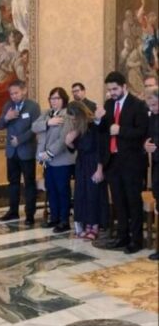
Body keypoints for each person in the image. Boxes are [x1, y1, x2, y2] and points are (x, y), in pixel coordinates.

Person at [93, 71, 149, 253]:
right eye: (109, 90)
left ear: (124, 87)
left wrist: (121, 130)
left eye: (115, 89)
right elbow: (103, 131)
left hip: (132, 162)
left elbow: (142, 132)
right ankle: (122, 236)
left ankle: (136, 240)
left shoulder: (138, 105)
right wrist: (98, 119)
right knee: (118, 202)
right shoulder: (108, 104)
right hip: (113, 161)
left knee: (133, 201)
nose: (112, 93)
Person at [0, 79, 40, 226]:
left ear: (24, 91)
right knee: (13, 183)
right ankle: (13, 212)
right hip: (11, 153)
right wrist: (6, 118)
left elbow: (35, 128)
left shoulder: (33, 106)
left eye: (16, 93)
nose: (13, 96)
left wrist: (20, 140)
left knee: (29, 184)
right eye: (11, 94)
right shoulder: (8, 105)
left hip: (26, 151)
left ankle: (29, 214)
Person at [32, 87, 75, 233]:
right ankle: (54, 218)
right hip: (47, 160)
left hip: (61, 160)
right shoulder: (46, 113)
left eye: (57, 98)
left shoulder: (68, 115)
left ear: (63, 99)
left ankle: (64, 221)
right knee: (51, 190)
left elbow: (63, 139)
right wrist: (47, 123)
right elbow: (34, 127)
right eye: (52, 98)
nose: (54, 101)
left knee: (62, 190)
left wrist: (49, 153)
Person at [64, 101, 105, 240]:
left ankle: (94, 226)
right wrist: (69, 141)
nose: (73, 120)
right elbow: (73, 147)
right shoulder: (78, 128)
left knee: (94, 195)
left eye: (74, 117)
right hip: (81, 164)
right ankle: (87, 223)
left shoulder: (94, 126)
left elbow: (100, 148)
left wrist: (100, 169)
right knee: (82, 195)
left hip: (94, 163)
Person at [144, 92, 159, 260]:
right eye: (150, 105)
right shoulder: (153, 117)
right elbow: (148, 138)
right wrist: (145, 145)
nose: (152, 108)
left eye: (155, 105)